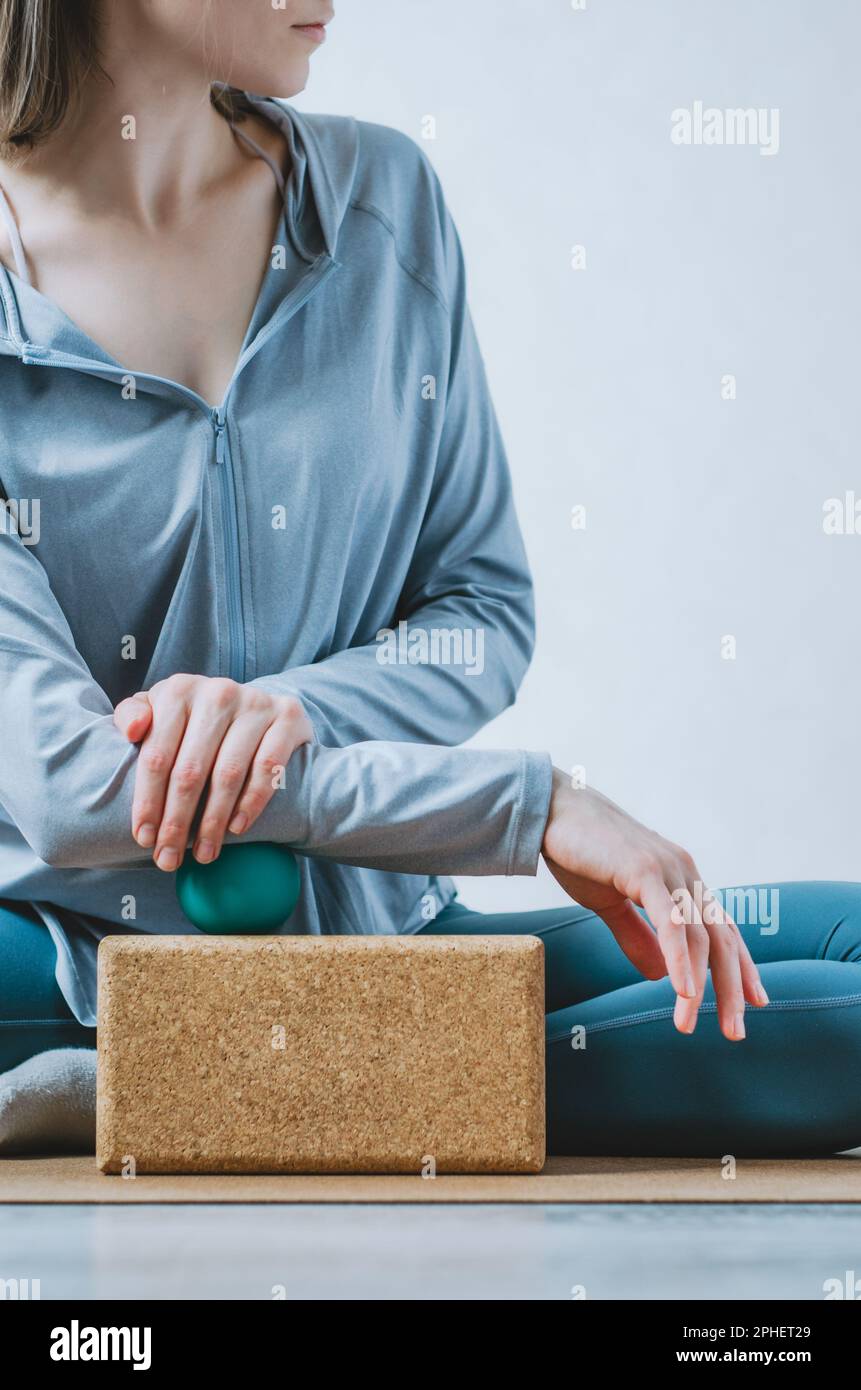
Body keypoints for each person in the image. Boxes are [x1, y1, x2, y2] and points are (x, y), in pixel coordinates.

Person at [0, 0, 858, 1157]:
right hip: (74, 963)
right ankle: (224, 1076)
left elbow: (482, 606)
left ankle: (219, 1096)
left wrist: (294, 711)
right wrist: (531, 803)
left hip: (381, 925)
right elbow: (69, 787)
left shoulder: (380, 202)